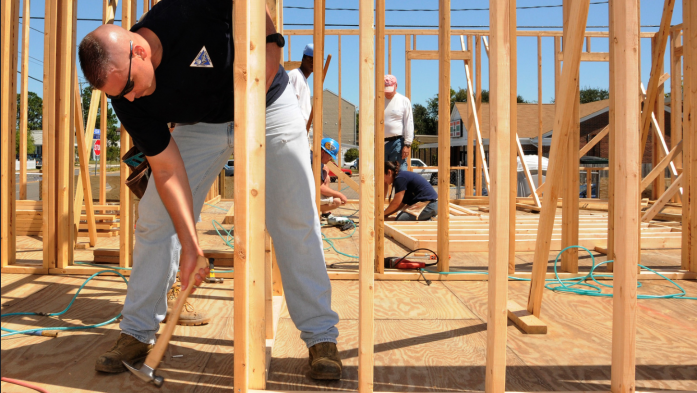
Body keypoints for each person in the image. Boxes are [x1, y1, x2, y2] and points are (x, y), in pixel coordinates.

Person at [78, 0, 342, 380]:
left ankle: (321, 337)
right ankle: (136, 331)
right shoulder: (125, 95)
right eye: (122, 94)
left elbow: (254, 14)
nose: (131, 97)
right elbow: (167, 169)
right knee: (155, 218)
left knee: (294, 217)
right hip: (201, 124)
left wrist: (269, 55)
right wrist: (190, 244)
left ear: (140, 50)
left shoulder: (185, 9)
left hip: (266, 102)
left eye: (132, 86)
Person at [384, 75, 414, 172]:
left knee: (400, 175)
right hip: (380, 143)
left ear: (396, 86)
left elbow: (408, 123)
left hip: (397, 143)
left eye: (390, 89)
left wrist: (407, 144)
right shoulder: (376, 100)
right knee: (382, 176)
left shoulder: (403, 101)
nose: (388, 93)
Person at [287, 44, 313, 142]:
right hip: (294, 131)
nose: (313, 62)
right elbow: (291, 105)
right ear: (303, 58)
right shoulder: (295, 76)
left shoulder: (303, 80)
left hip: (301, 130)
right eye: (310, 59)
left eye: (316, 60)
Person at [318, 138, 347, 214]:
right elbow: (320, 188)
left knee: (326, 175)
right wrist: (340, 195)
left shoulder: (314, 159)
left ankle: (324, 212)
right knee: (337, 201)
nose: (330, 159)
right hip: (300, 201)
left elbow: (325, 168)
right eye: (330, 156)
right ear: (323, 152)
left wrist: (324, 172)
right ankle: (310, 212)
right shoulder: (313, 163)